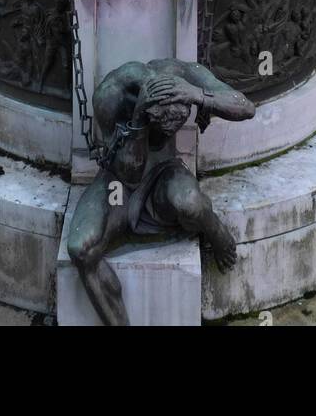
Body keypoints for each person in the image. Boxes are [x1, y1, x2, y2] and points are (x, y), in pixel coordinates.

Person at [67, 58, 254, 326]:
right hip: (119, 178)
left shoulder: (184, 75)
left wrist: (199, 96)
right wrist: (139, 121)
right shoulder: (111, 95)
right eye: (162, 124)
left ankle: (216, 230)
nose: (170, 131)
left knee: (191, 203)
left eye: (178, 122)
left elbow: (246, 107)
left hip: (164, 171)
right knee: (80, 249)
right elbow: (128, 171)